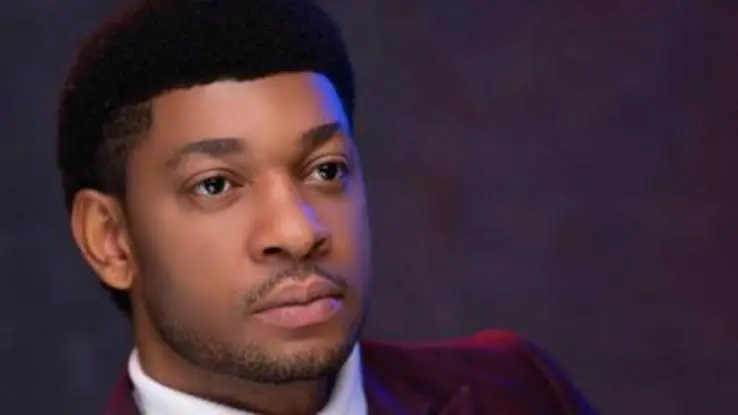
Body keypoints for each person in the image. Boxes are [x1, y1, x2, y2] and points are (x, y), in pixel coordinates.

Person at [56, 0, 596, 414]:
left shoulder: (517, 391)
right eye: (216, 185)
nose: (297, 231)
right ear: (112, 241)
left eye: (326, 170)